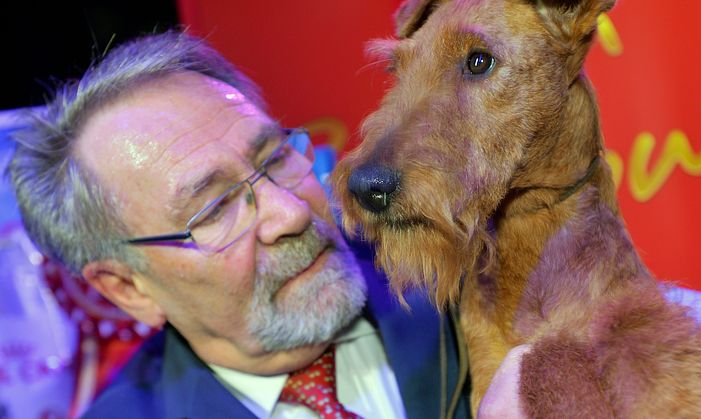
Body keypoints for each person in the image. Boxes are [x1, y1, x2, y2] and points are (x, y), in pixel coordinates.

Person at [8, 31, 470, 418]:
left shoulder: (469, 268)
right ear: (128, 288)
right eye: (214, 210)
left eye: (275, 157)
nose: (289, 213)